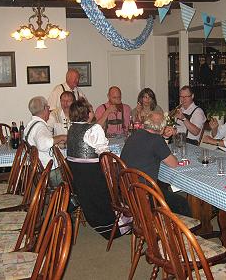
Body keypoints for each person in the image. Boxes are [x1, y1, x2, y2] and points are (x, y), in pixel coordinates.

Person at [121, 111, 192, 217]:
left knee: (162, 186)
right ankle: (177, 232)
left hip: (126, 190)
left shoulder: (135, 135)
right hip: (143, 195)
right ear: (162, 127)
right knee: (182, 203)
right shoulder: (156, 140)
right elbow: (174, 163)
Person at [66, 99, 118, 239]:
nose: (93, 111)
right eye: (91, 109)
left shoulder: (72, 128)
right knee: (124, 174)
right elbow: (105, 156)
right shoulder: (94, 129)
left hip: (78, 179)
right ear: (87, 114)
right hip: (93, 179)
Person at [24, 96, 67, 188]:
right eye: (48, 107)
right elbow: (43, 144)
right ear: (44, 108)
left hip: (40, 171)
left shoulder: (30, 125)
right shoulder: (40, 127)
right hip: (50, 173)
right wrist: (61, 137)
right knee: (77, 178)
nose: (49, 109)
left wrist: (56, 141)